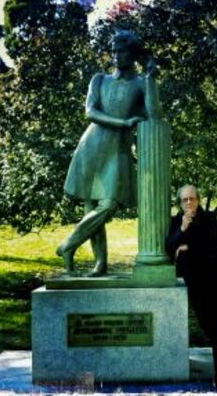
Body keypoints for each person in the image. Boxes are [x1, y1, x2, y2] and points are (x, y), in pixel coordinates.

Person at [57, 30, 158, 275]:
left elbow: (154, 117)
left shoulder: (140, 83)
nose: (115, 56)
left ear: (132, 54)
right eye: (113, 51)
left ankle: (68, 244)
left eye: (121, 51)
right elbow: (90, 112)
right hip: (91, 146)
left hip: (118, 151)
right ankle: (100, 264)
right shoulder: (99, 80)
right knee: (91, 209)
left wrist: (151, 81)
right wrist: (122, 123)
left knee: (109, 204)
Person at [165, 184, 217, 386]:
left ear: (198, 199)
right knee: (209, 327)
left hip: (214, 278)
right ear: (180, 202)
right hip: (193, 281)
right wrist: (182, 229)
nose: (189, 202)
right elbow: (169, 247)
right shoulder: (176, 221)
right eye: (185, 199)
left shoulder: (210, 218)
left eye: (192, 198)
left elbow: (214, 243)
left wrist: (187, 247)